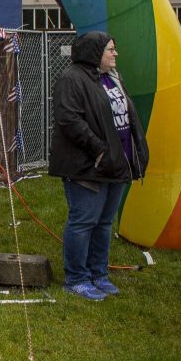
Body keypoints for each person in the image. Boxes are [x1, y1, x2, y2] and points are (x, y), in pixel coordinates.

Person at [49, 32, 148, 301]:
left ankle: (98, 273)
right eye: (110, 50)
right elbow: (69, 120)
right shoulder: (72, 79)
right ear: (94, 52)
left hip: (117, 164)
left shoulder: (110, 78)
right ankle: (76, 278)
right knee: (84, 222)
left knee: (104, 223)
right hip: (88, 166)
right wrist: (100, 151)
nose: (115, 54)